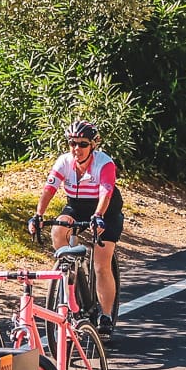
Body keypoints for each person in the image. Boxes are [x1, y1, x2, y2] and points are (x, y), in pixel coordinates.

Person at [28, 120, 123, 338]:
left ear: (92, 145)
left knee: (101, 264)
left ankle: (106, 315)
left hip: (106, 212)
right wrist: (39, 215)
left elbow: (106, 193)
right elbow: (49, 189)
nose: (76, 149)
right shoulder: (64, 161)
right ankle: (71, 268)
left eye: (82, 144)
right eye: (72, 143)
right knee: (58, 231)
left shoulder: (104, 163)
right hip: (77, 207)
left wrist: (98, 216)